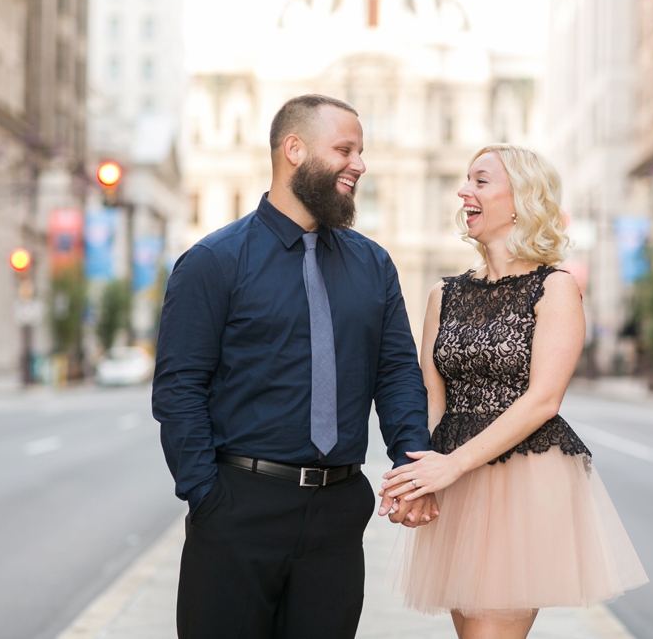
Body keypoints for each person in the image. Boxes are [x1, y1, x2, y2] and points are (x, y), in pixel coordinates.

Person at [152, 94, 439, 639]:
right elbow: (179, 389)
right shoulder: (213, 262)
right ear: (294, 150)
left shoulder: (373, 264)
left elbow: (397, 374)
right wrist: (206, 497)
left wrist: (412, 468)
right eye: (345, 149)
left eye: (361, 151)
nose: (359, 164)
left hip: (338, 515)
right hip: (239, 509)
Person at [381, 144, 648, 639]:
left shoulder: (556, 288)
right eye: (466, 180)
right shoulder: (444, 294)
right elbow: (432, 403)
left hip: (523, 479)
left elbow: (544, 400)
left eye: (480, 181)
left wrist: (451, 466)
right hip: (456, 482)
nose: (464, 190)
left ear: (522, 200)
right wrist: (418, 479)